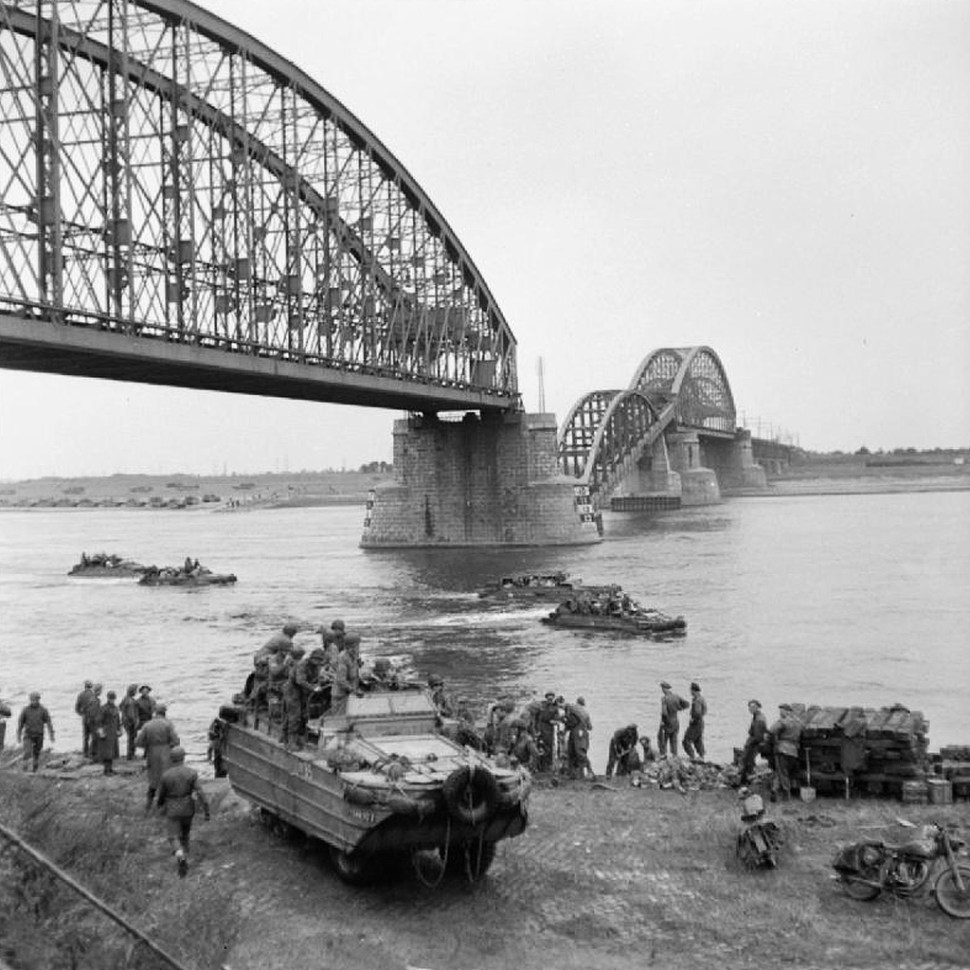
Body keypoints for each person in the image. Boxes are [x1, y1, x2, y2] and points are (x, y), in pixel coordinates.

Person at [156, 745, 210, 877]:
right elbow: (200, 791)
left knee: (173, 836)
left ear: (172, 759)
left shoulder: (166, 775)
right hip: (188, 808)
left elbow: (161, 795)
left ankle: (180, 857)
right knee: (185, 835)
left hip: (173, 809)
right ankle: (185, 857)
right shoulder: (191, 773)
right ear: (183, 758)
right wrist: (206, 809)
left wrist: (159, 805)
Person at [135, 703, 180, 812]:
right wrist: (170, 746)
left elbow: (138, 742)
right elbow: (176, 741)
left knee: (153, 780)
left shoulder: (147, 725)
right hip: (166, 753)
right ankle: (165, 806)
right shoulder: (168, 724)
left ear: (155, 712)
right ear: (164, 712)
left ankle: (148, 806)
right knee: (166, 779)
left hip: (152, 752)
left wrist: (148, 745)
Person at [283, 647, 325, 747]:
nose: (318, 663)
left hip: (304, 691)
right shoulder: (302, 664)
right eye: (317, 660)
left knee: (305, 714)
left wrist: (319, 683)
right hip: (292, 691)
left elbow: (316, 678)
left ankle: (301, 736)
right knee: (295, 716)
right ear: (312, 658)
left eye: (320, 661)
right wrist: (313, 688)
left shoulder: (316, 667)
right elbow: (300, 680)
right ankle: (291, 741)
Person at [767, 703, 803, 801]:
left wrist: (773, 741)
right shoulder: (799, 722)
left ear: (787, 711)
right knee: (782, 772)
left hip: (782, 749)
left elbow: (771, 730)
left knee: (782, 772)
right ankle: (774, 789)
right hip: (794, 750)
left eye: (781, 711)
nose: (780, 713)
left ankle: (786, 794)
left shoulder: (783, 721)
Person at [17, 692, 55, 772]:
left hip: (39, 735)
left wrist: (51, 735)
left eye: (35, 700)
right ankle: (25, 768)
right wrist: (18, 735)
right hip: (28, 735)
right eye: (32, 700)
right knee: (27, 752)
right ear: (30, 700)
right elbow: (20, 723)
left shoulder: (43, 710)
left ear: (38, 700)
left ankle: (35, 769)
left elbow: (49, 723)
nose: (33, 701)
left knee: (36, 753)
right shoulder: (25, 710)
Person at [331, 633, 362, 714]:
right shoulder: (343, 658)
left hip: (349, 694)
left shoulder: (354, 655)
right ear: (351, 647)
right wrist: (353, 690)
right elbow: (341, 680)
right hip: (340, 696)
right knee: (339, 719)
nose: (358, 648)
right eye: (357, 646)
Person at [739, 699, 769, 784]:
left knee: (746, 760)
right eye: (749, 707)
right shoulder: (757, 716)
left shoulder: (759, 719)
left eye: (752, 707)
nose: (750, 709)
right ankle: (746, 778)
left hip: (754, 743)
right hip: (754, 742)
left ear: (757, 707)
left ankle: (745, 780)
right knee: (747, 760)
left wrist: (750, 743)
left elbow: (758, 736)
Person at [656, 681, 689, 757]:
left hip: (667, 721)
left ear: (665, 689)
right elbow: (687, 704)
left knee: (662, 738)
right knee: (674, 739)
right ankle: (674, 755)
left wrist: (663, 721)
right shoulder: (676, 696)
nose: (662, 690)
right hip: (675, 721)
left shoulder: (664, 699)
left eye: (663, 688)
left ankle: (663, 754)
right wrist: (679, 708)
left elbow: (664, 712)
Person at [564, 697, 593, 778]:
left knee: (575, 753)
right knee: (579, 752)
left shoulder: (573, 708)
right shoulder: (585, 713)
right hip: (582, 733)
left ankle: (577, 773)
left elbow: (565, 706)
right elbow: (590, 727)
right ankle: (582, 772)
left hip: (576, 733)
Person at [97, 689, 122, 775]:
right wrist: (101, 732)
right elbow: (99, 721)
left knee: (112, 751)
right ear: (108, 698)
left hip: (113, 732)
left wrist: (119, 729)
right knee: (106, 752)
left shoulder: (116, 708)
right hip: (106, 732)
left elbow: (118, 720)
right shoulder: (103, 708)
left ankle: (110, 769)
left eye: (113, 698)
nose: (112, 700)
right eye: (111, 698)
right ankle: (106, 770)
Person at [535, 692, 562, 772]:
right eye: (548, 698)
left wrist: (554, 721)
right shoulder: (542, 705)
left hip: (549, 730)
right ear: (546, 698)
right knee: (540, 746)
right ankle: (540, 766)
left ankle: (548, 766)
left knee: (549, 747)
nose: (550, 700)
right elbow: (540, 716)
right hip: (541, 728)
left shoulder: (554, 707)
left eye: (551, 699)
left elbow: (556, 718)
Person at [682, 682, 707, 761]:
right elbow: (705, 710)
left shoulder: (697, 700)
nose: (690, 692)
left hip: (696, 723)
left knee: (686, 740)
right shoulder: (702, 698)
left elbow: (697, 712)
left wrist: (693, 719)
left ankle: (692, 756)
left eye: (691, 690)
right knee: (698, 741)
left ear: (694, 690)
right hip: (701, 723)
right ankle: (702, 757)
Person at [74, 680, 95, 757]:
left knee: (85, 736)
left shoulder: (80, 695)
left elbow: (76, 708)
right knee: (93, 735)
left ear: (85, 686)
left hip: (85, 717)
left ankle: (85, 752)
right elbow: (94, 707)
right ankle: (91, 751)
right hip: (92, 718)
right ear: (91, 686)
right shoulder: (93, 695)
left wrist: (81, 714)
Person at [83, 683, 103, 762]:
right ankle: (93, 754)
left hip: (88, 720)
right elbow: (93, 712)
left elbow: (85, 709)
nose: (101, 692)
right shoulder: (95, 700)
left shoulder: (91, 699)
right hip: (93, 721)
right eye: (100, 690)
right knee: (95, 738)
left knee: (91, 737)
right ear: (98, 691)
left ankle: (90, 753)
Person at [119, 683, 139, 760]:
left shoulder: (125, 699)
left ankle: (129, 754)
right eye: (135, 691)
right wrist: (135, 721)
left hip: (125, 721)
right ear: (132, 691)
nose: (136, 692)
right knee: (132, 738)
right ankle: (131, 755)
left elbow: (120, 707)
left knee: (130, 738)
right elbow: (131, 714)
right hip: (130, 722)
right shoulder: (130, 701)